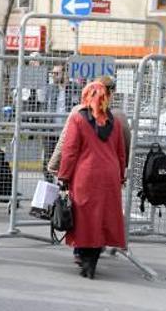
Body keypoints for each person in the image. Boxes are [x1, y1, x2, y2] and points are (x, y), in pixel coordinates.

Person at [58, 80, 127, 279]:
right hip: (110, 175)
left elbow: (70, 151)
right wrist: (121, 175)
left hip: (85, 174)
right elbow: (121, 153)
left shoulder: (78, 119)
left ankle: (85, 259)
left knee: (85, 217)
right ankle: (93, 259)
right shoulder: (115, 122)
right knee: (103, 217)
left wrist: (64, 175)